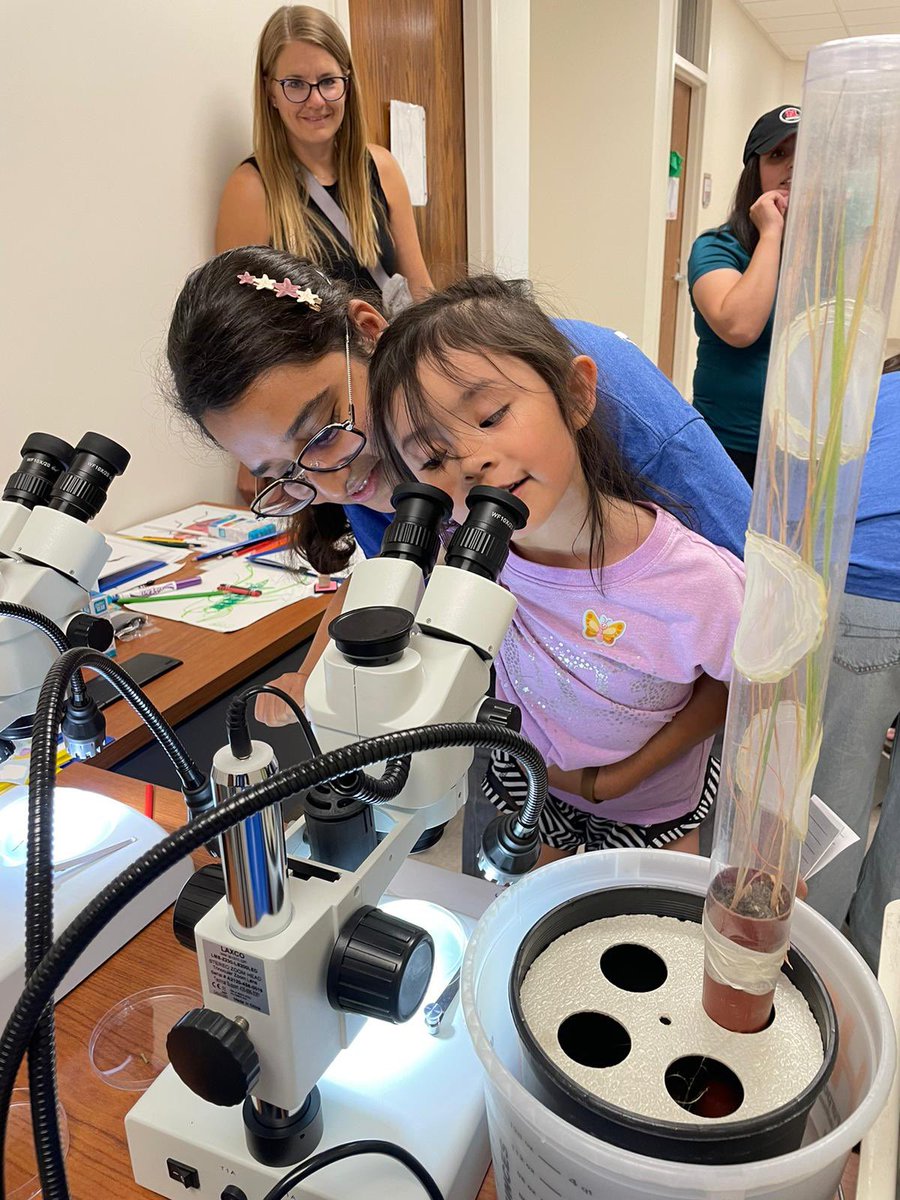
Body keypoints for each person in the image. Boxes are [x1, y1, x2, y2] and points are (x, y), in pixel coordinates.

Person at [363, 276, 747, 858]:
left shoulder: (700, 583)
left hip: (652, 804)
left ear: (576, 395)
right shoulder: (462, 560)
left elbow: (753, 697)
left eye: (490, 415)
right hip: (528, 783)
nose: (470, 461)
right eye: (434, 457)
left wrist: (764, 844)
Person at [214, 5, 432, 505]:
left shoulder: (381, 168)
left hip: (387, 399)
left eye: (327, 82)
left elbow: (419, 288)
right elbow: (237, 335)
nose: (315, 100)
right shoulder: (251, 190)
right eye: (295, 84)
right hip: (312, 426)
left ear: (347, 84)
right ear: (270, 90)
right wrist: (250, 459)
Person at [804, 354, 900, 971]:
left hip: (864, 587)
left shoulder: (875, 393)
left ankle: (817, 975)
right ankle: (877, 972)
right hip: (869, 582)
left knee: (834, 800)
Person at [688, 105, 800, 485]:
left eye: (806, 154)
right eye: (778, 155)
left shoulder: (821, 257)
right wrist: (771, 233)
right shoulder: (718, 247)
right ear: (755, 171)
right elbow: (738, 326)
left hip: (801, 447)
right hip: (729, 446)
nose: (792, 167)